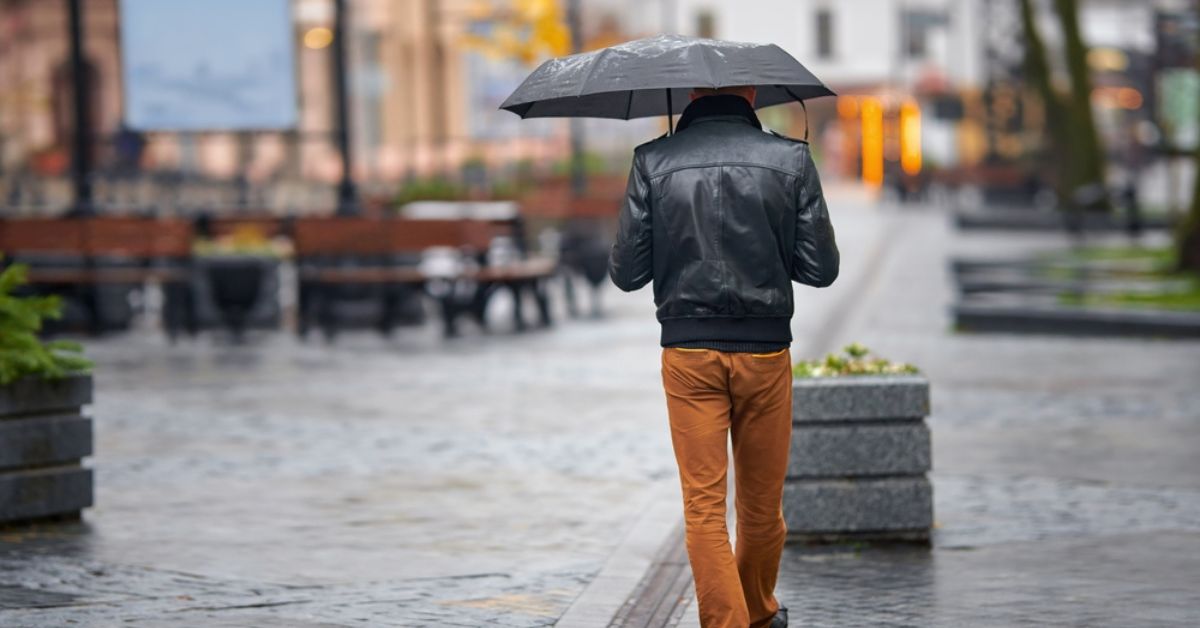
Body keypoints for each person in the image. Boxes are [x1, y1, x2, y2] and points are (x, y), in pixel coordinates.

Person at [608, 86, 839, 628]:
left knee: (704, 509)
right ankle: (756, 612)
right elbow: (820, 269)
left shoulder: (653, 160)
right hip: (765, 352)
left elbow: (627, 273)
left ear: (689, 94)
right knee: (761, 509)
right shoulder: (791, 160)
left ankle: (739, 619)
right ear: (753, 93)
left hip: (688, 355)